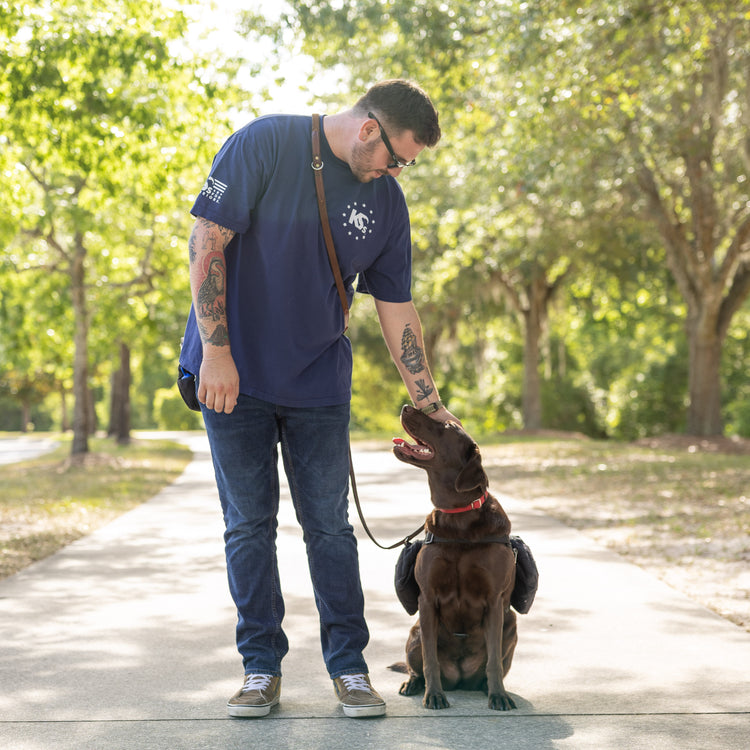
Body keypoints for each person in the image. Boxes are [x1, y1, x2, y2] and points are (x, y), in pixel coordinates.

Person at [179, 79, 459, 719]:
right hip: (234, 381)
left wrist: (431, 402)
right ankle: (259, 669)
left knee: (330, 529)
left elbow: (396, 306)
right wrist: (216, 355)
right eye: (399, 157)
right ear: (369, 130)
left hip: (318, 386)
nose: (398, 170)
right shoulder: (265, 143)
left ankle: (350, 669)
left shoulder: (386, 202)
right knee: (248, 527)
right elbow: (206, 242)